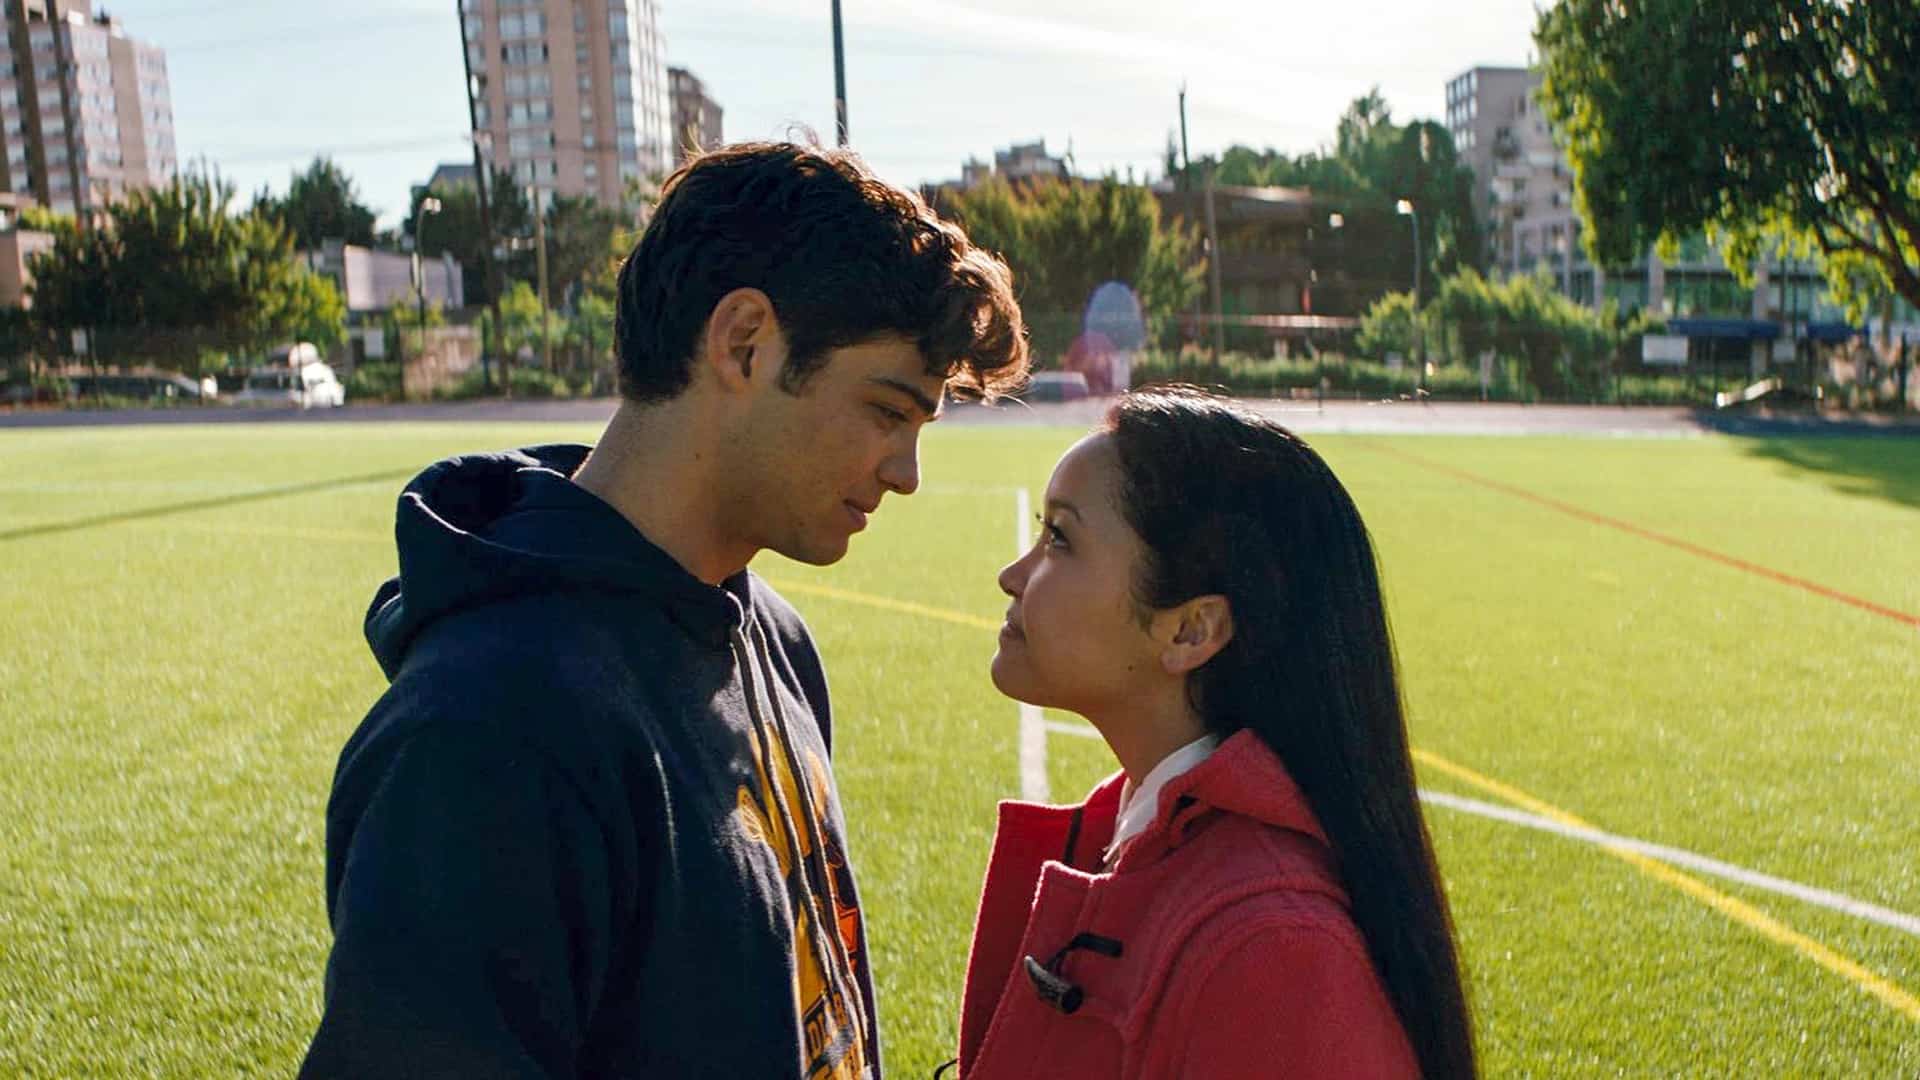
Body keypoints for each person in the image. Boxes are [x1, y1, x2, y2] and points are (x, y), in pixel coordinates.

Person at [300, 141, 1028, 1079]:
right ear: (743, 343)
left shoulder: (771, 636)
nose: (906, 472)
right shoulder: (483, 738)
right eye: (888, 410)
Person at [953, 387, 1475, 1078]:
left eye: (1060, 538)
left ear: (1191, 629)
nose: (1013, 576)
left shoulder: (1275, 950)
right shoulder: (1141, 837)